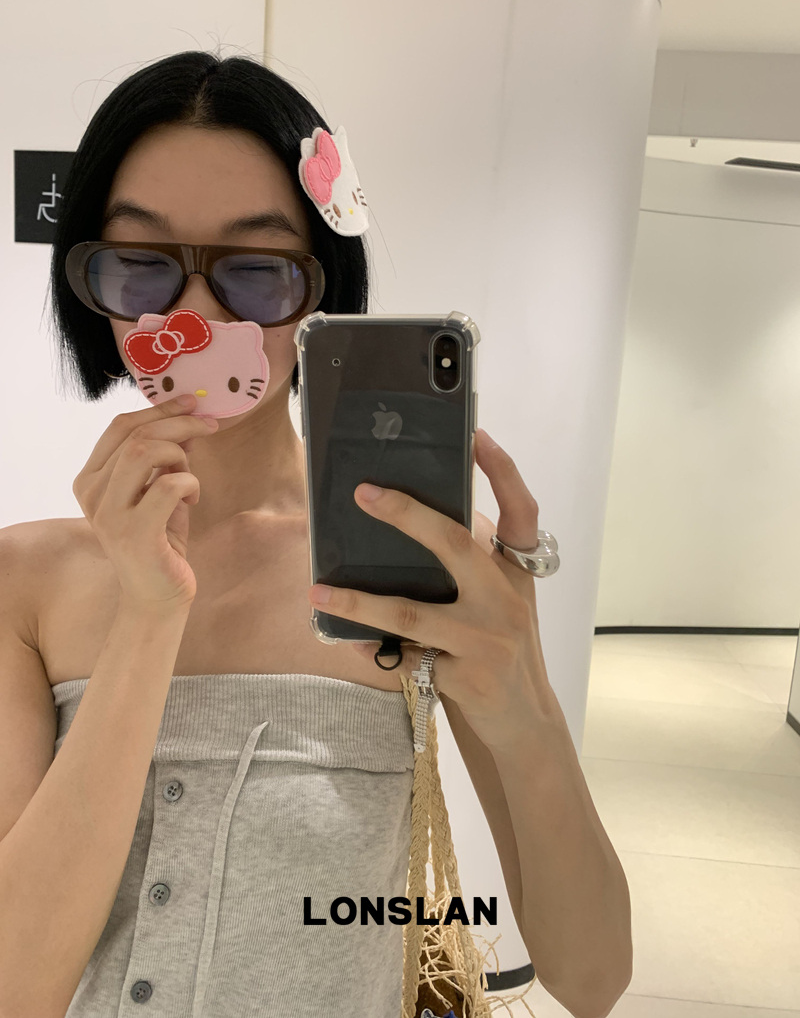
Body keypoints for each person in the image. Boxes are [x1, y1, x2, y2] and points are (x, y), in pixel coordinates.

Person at [0, 51, 632, 1018]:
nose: (194, 316)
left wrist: (526, 702)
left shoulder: (414, 558)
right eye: (142, 264)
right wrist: (148, 616)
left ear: (319, 292)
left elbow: (592, 978)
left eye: (256, 273)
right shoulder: (25, 582)